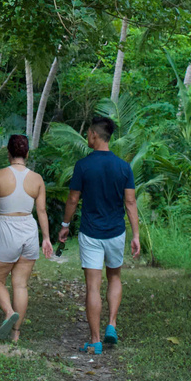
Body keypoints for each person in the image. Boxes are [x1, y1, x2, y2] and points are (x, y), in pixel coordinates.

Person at [58, 114, 140, 354]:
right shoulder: (123, 167)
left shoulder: (83, 165)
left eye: (88, 133)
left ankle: (95, 341)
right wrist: (135, 235)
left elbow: (73, 199)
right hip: (116, 232)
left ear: (94, 135)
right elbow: (131, 202)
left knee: (93, 286)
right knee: (114, 276)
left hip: (91, 233)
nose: (87, 137)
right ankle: (111, 324)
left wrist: (65, 224)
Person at [0, 134, 54, 342]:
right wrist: (46, 238)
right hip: (29, 230)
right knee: (20, 284)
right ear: (26, 154)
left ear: (8, 154)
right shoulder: (37, 179)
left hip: (7, 229)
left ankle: (9, 313)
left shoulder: (0, 176)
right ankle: (15, 334)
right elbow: (42, 211)